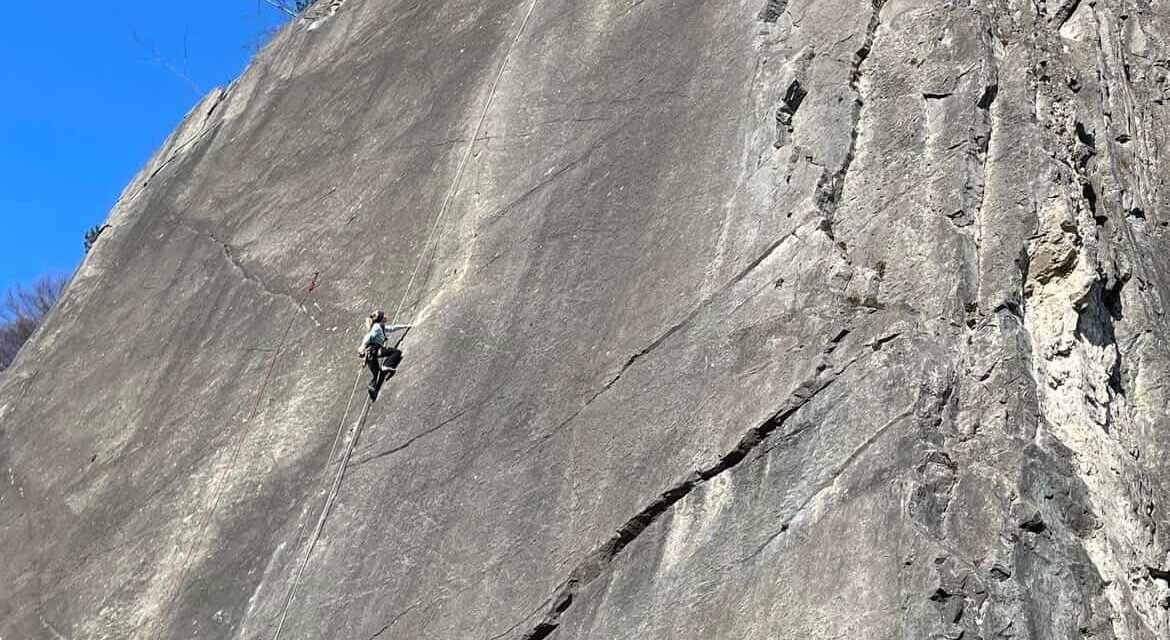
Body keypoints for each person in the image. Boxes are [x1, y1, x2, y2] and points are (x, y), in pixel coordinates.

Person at [359, 310, 411, 400]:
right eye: (383, 316)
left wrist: (404, 326)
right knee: (396, 352)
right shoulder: (377, 326)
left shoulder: (379, 326)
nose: (385, 317)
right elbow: (369, 336)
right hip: (374, 350)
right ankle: (386, 366)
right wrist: (361, 347)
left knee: (377, 374)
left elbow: (391, 328)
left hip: (370, 354)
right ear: (381, 319)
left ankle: (373, 389)